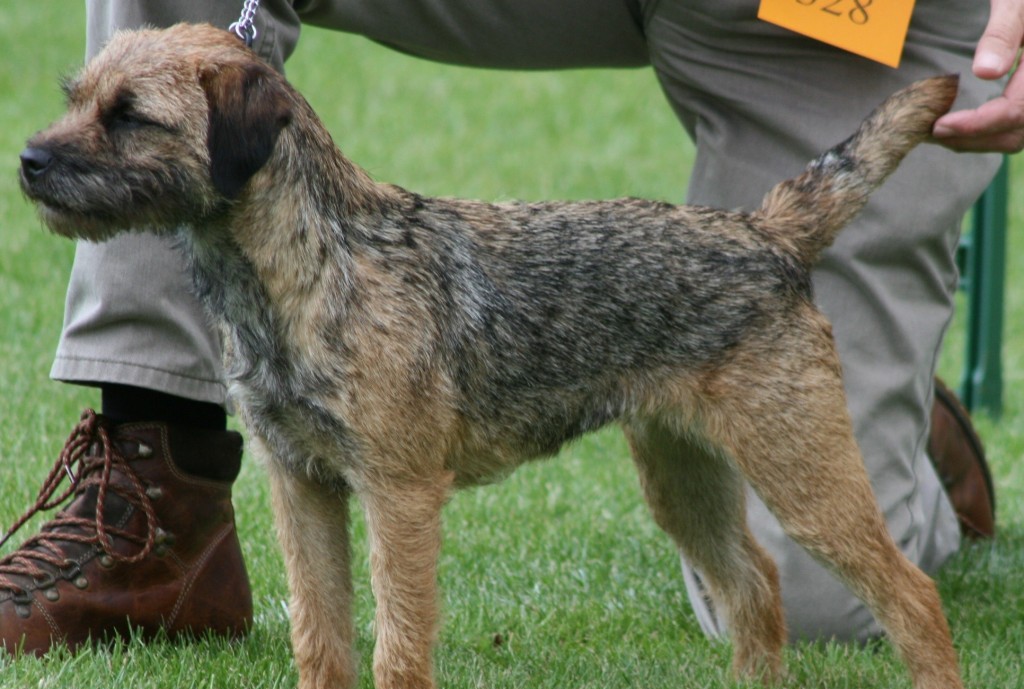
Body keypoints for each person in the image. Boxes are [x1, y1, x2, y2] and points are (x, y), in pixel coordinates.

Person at [0, 0, 1013, 652]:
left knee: (831, 598)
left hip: (828, 13)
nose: (51, 147)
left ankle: (868, 412)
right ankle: (154, 472)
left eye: (120, 120)